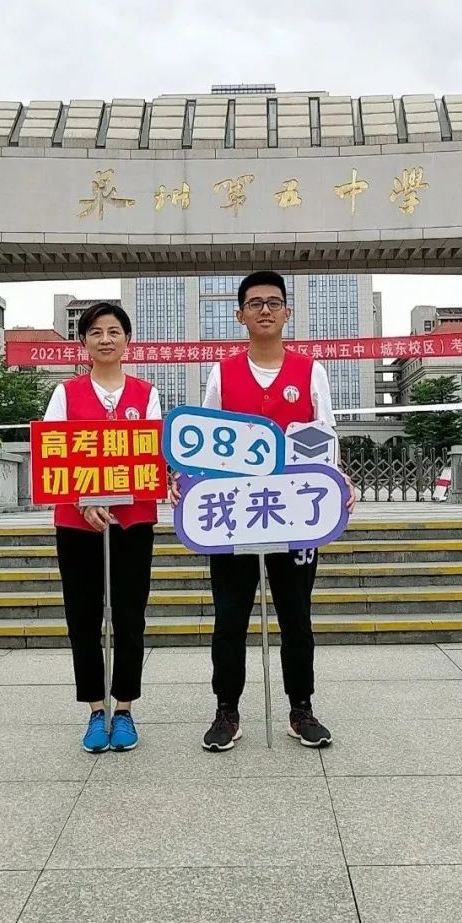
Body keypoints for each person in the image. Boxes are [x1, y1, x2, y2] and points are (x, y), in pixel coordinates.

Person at [177, 270, 356, 752]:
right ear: (240, 315)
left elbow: (326, 440)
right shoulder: (223, 371)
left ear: (287, 312)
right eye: (254, 303)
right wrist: (186, 482)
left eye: (273, 302)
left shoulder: (309, 369)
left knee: (297, 617)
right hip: (234, 517)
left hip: (294, 516)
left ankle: (302, 709)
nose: (264, 310)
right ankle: (226, 712)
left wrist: (340, 481)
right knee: (229, 619)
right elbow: (205, 443)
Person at [44, 302, 161, 754]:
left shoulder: (146, 393)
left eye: (114, 331)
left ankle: (126, 708)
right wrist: (81, 498)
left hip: (133, 521)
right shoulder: (66, 394)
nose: (106, 339)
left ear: (127, 340)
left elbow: (151, 454)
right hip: (78, 522)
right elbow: (54, 452)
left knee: (130, 616)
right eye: (96, 332)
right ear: (84, 342)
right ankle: (96, 710)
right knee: (83, 617)